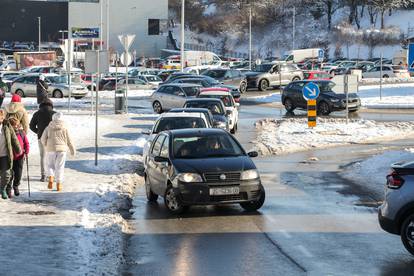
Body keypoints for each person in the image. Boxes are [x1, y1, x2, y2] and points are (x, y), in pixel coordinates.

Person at [41, 112, 75, 192]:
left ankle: (51, 177)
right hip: (62, 150)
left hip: (50, 149)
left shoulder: (48, 127)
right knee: (59, 167)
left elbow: (43, 139)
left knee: (49, 165)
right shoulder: (65, 128)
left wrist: (46, 145)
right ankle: (59, 185)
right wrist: (72, 150)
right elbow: (69, 140)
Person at [29, 98, 55, 182]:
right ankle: (51, 175)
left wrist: (38, 132)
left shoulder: (37, 113)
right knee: (52, 157)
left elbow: (31, 126)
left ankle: (43, 175)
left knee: (42, 156)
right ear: (51, 105)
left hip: (41, 138)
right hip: (52, 138)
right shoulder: (54, 114)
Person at [0, 110, 21, 199]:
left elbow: (13, 137)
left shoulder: (7, 126)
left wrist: (18, 149)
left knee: (7, 174)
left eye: (1, 117)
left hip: (5, 154)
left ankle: (2, 188)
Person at [8, 118, 29, 196]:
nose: (16, 127)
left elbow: (26, 143)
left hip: (19, 157)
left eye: (17, 125)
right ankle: (9, 189)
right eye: (14, 125)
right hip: (9, 157)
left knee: (18, 174)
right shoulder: (7, 133)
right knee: (9, 174)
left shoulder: (21, 133)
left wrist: (26, 151)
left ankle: (16, 186)